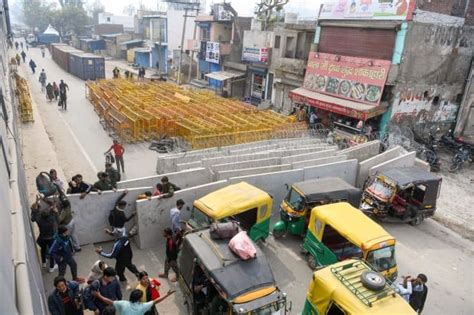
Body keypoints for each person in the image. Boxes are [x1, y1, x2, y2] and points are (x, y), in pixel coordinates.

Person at [31, 194, 58, 272]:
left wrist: (37, 201)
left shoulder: (39, 220)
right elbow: (54, 211)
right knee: (52, 251)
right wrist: (54, 203)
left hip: (43, 237)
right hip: (51, 238)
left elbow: (34, 214)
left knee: (43, 249)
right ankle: (51, 267)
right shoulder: (51, 220)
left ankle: (44, 262)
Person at [94, 289, 175, 315]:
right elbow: (156, 301)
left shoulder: (123, 303)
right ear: (139, 299)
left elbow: (110, 302)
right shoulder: (143, 306)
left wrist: (99, 295)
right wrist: (167, 294)